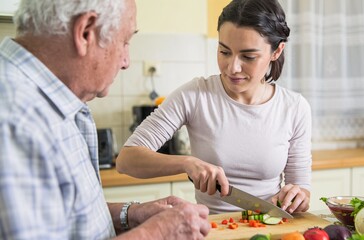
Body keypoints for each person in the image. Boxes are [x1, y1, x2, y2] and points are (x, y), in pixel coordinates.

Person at [0, 0, 210, 239]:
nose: (126, 62)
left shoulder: (56, 103)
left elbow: (66, 218)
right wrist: (158, 232)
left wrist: (131, 214)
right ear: (86, 32)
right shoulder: (16, 120)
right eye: (125, 42)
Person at [116, 0, 312, 215]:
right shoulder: (195, 95)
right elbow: (127, 160)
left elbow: (300, 188)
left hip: (271, 227)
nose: (233, 67)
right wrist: (186, 163)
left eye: (248, 56)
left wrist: (297, 196)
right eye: (224, 52)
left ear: (276, 51)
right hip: (211, 229)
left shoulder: (294, 108)